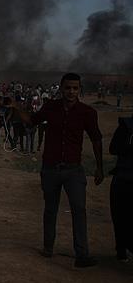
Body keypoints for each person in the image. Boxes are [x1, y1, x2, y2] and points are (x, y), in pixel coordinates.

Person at [21, 73, 103, 268]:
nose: (71, 92)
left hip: (73, 170)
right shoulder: (50, 107)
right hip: (50, 168)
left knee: (79, 210)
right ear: (61, 88)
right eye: (68, 88)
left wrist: (100, 167)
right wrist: (16, 108)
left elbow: (96, 139)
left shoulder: (87, 112)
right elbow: (32, 120)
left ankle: (82, 255)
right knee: (50, 209)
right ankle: (48, 247)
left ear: (79, 89)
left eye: (75, 88)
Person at [108, 115, 133, 262]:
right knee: (120, 216)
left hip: (123, 178)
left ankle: (122, 248)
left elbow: (113, 148)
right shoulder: (126, 126)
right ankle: (122, 248)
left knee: (120, 216)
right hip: (124, 178)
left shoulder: (126, 126)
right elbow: (113, 148)